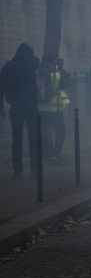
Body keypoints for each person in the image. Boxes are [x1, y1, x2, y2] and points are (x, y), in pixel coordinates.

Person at [0, 44, 40, 179]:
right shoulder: (31, 65)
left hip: (16, 107)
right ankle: (34, 169)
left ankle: (18, 171)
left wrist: (1, 106)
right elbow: (36, 60)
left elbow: (1, 87)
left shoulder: (8, 67)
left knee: (16, 140)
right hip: (31, 106)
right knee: (33, 138)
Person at [37, 56, 70, 165]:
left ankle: (43, 155)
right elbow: (66, 84)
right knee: (61, 131)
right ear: (53, 63)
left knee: (43, 132)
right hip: (54, 110)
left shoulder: (36, 73)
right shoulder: (56, 75)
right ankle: (55, 155)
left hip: (40, 109)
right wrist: (62, 71)